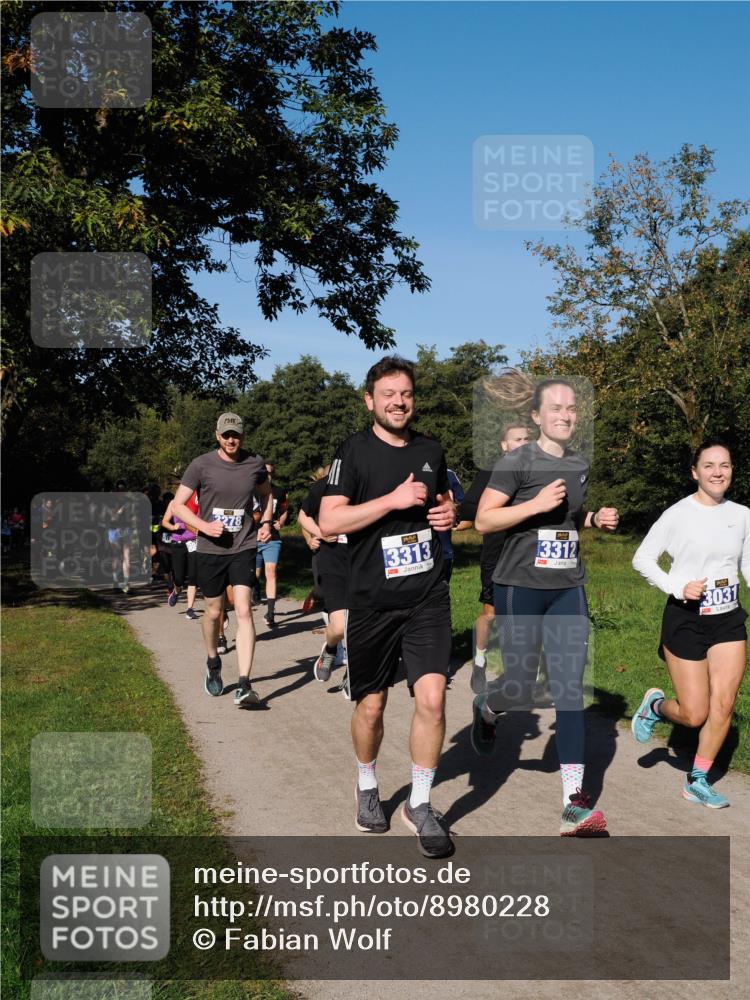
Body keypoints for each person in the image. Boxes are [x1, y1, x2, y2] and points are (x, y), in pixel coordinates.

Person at [470, 370, 619, 836]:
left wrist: (594, 519)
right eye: (556, 408)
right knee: (520, 685)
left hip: (568, 587)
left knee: (569, 689)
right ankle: (488, 708)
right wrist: (533, 505)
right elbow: (484, 520)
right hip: (520, 586)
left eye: (571, 408)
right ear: (536, 416)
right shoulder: (516, 462)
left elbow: (569, 518)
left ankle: (573, 806)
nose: (566, 415)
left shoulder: (578, 464)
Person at [319, 355, 456, 859]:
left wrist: (449, 513)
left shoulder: (431, 449)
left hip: (427, 596)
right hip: (372, 600)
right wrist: (391, 501)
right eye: (389, 395)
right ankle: (367, 783)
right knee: (372, 705)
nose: (399, 402)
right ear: (370, 401)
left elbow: (445, 502)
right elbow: (330, 522)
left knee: (433, 701)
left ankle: (420, 804)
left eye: (406, 394)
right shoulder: (353, 452)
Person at [631, 440, 749, 808]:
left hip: (728, 617)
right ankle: (655, 707)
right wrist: (677, 586)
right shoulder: (677, 514)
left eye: (725, 465)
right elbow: (643, 559)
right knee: (695, 713)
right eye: (709, 465)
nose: (718, 472)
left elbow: (747, 565)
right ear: (694, 472)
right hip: (686, 617)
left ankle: (698, 780)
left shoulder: (742, 515)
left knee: (724, 704)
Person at [172, 412, 273, 707]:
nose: (231, 440)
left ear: (242, 436)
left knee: (244, 610)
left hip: (243, 546)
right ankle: (213, 661)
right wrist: (203, 526)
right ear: (217, 435)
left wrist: (266, 523)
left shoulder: (254, 464)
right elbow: (177, 506)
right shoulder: (201, 465)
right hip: (210, 549)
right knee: (214, 611)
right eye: (226, 435)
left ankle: (244, 683)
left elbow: (267, 495)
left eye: (236, 435)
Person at [457, 423, 531, 693]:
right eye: (517, 439)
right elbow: (468, 508)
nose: (523, 444)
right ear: (504, 445)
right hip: (497, 552)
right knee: (491, 612)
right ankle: (480, 659)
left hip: (528, 553)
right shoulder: (492, 471)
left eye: (527, 439)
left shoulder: (540, 473)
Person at [299, 465, 348, 683]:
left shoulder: (373, 482)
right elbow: (303, 516)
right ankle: (330, 649)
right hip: (332, 558)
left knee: (359, 623)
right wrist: (318, 533)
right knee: (339, 626)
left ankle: (353, 677)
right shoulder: (325, 486)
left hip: (363, 560)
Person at [253, 463, 288, 627]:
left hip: (272, 539)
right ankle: (254, 594)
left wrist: (281, 521)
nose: (267, 475)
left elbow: (284, 510)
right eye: (264, 472)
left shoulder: (279, 491)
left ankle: (271, 612)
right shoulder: (250, 490)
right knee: (253, 574)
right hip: (251, 538)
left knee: (271, 572)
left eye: (270, 472)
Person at [162, 490, 199, 618]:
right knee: (179, 578)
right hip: (178, 542)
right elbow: (165, 521)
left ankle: (190, 609)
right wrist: (173, 527)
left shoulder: (198, 502)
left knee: (193, 576)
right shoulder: (174, 503)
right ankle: (176, 591)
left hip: (194, 541)